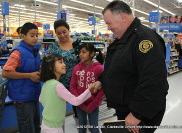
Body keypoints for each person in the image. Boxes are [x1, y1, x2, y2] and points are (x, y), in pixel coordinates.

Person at [93, 1, 169, 133]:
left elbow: (154, 81)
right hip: (126, 108)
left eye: (109, 23)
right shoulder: (123, 39)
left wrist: (137, 113)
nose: (108, 28)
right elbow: (116, 67)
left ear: (123, 17)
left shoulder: (145, 40)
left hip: (139, 114)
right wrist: (101, 80)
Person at [39, 54, 95, 133]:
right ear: (51, 67)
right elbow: (76, 101)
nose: (64, 64)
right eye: (60, 62)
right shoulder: (58, 86)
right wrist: (89, 90)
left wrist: (57, 102)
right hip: (55, 128)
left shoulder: (46, 83)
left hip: (45, 124)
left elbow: (41, 99)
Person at [2, 22, 41, 133]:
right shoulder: (18, 53)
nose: (35, 38)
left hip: (34, 95)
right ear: (23, 36)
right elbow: (5, 73)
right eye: (32, 35)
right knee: (27, 128)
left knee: (36, 126)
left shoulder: (35, 53)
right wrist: (29, 75)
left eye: (36, 35)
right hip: (22, 98)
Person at [47, 19, 80, 123]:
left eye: (64, 32)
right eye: (59, 33)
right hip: (59, 84)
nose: (62, 35)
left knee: (78, 109)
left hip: (77, 83)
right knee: (58, 111)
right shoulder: (53, 47)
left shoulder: (77, 44)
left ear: (69, 31)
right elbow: (49, 65)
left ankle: (79, 124)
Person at [70, 43, 104, 133]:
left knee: (94, 128)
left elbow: (102, 90)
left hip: (93, 105)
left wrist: (92, 105)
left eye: (84, 52)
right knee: (81, 128)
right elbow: (72, 86)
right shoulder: (76, 68)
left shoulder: (99, 68)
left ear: (92, 54)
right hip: (80, 105)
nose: (80, 54)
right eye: (79, 52)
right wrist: (80, 103)